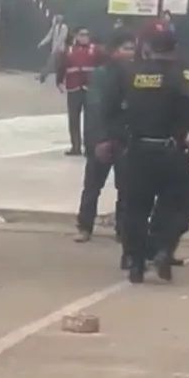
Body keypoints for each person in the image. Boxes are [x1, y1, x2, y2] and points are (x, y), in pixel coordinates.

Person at [97, 20, 189, 284]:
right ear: (175, 46)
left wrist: (109, 139)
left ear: (146, 46)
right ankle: (161, 248)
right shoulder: (185, 74)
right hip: (172, 153)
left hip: (136, 151)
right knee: (182, 203)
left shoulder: (129, 72)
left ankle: (135, 260)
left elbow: (109, 109)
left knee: (135, 208)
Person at [75, 29, 135, 248]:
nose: (130, 53)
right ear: (113, 51)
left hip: (125, 139)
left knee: (126, 188)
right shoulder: (101, 74)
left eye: (132, 48)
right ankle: (84, 226)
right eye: (126, 48)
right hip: (103, 139)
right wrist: (98, 140)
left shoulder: (136, 75)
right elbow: (94, 108)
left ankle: (123, 229)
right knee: (92, 186)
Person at [55, 26, 100, 156]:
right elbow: (62, 67)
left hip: (90, 89)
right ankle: (76, 147)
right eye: (82, 34)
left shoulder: (95, 51)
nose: (84, 37)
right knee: (74, 119)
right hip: (73, 88)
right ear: (76, 36)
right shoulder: (69, 51)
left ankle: (89, 147)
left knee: (90, 120)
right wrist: (59, 81)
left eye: (87, 34)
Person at [38, 14, 68, 84]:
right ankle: (43, 77)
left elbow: (62, 38)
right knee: (55, 65)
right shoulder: (55, 27)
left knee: (54, 64)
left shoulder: (64, 27)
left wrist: (55, 49)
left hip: (60, 50)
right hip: (54, 50)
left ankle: (43, 77)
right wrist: (42, 43)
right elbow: (49, 36)